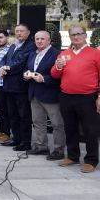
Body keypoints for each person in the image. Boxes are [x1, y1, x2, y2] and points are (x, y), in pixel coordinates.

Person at [51, 25, 100, 173]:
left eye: (79, 34)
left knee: (90, 130)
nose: (76, 37)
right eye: (73, 35)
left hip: (88, 97)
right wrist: (58, 67)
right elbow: (54, 75)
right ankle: (72, 156)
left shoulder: (95, 54)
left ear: (85, 36)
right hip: (66, 96)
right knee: (70, 128)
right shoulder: (64, 54)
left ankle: (91, 160)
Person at [25, 31, 64, 160]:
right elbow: (27, 68)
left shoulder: (57, 54)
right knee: (38, 122)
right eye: (37, 39)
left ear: (49, 41)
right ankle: (41, 146)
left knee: (56, 124)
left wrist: (45, 79)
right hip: (34, 93)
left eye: (42, 39)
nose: (39, 41)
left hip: (51, 94)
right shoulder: (32, 53)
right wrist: (26, 75)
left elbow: (61, 75)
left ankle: (59, 150)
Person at [0, 24, 36, 151]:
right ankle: (16, 139)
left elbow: (21, 63)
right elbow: (4, 58)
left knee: (23, 116)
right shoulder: (14, 45)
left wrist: (6, 68)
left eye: (22, 31)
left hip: (20, 87)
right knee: (12, 115)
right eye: (17, 31)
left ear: (28, 32)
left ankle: (25, 142)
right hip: (9, 86)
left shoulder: (30, 46)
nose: (19, 33)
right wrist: (1, 66)